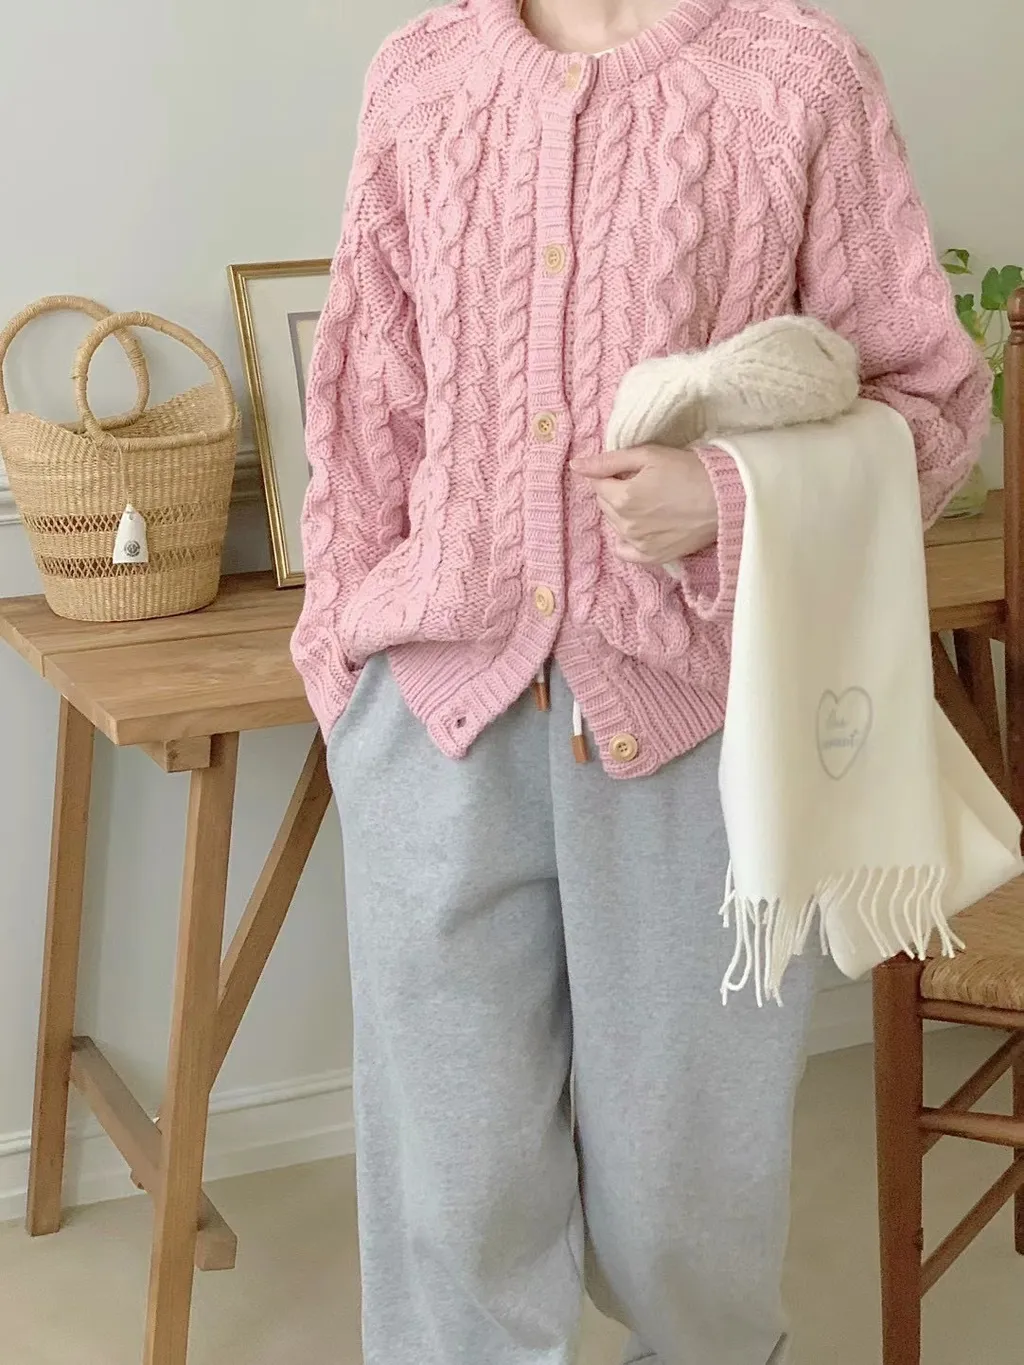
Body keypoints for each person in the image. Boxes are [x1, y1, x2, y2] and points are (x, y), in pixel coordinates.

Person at [292, 1, 990, 1361]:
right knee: (456, 1199)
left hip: (695, 729)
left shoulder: (798, 76)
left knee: (686, 1210)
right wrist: (342, 670)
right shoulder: (421, 73)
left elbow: (932, 403)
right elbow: (364, 403)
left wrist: (726, 496)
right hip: (433, 718)